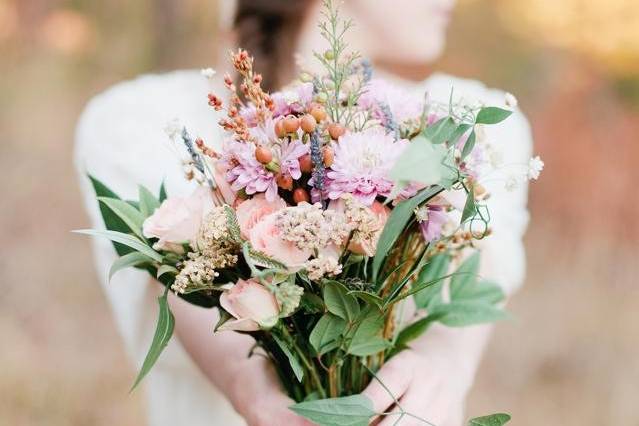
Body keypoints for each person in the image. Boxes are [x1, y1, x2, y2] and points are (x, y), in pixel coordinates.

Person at [75, 1, 532, 425]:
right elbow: (177, 277)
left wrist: (441, 363)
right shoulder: (136, 124)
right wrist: (251, 389)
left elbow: (478, 277)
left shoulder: (465, 125)